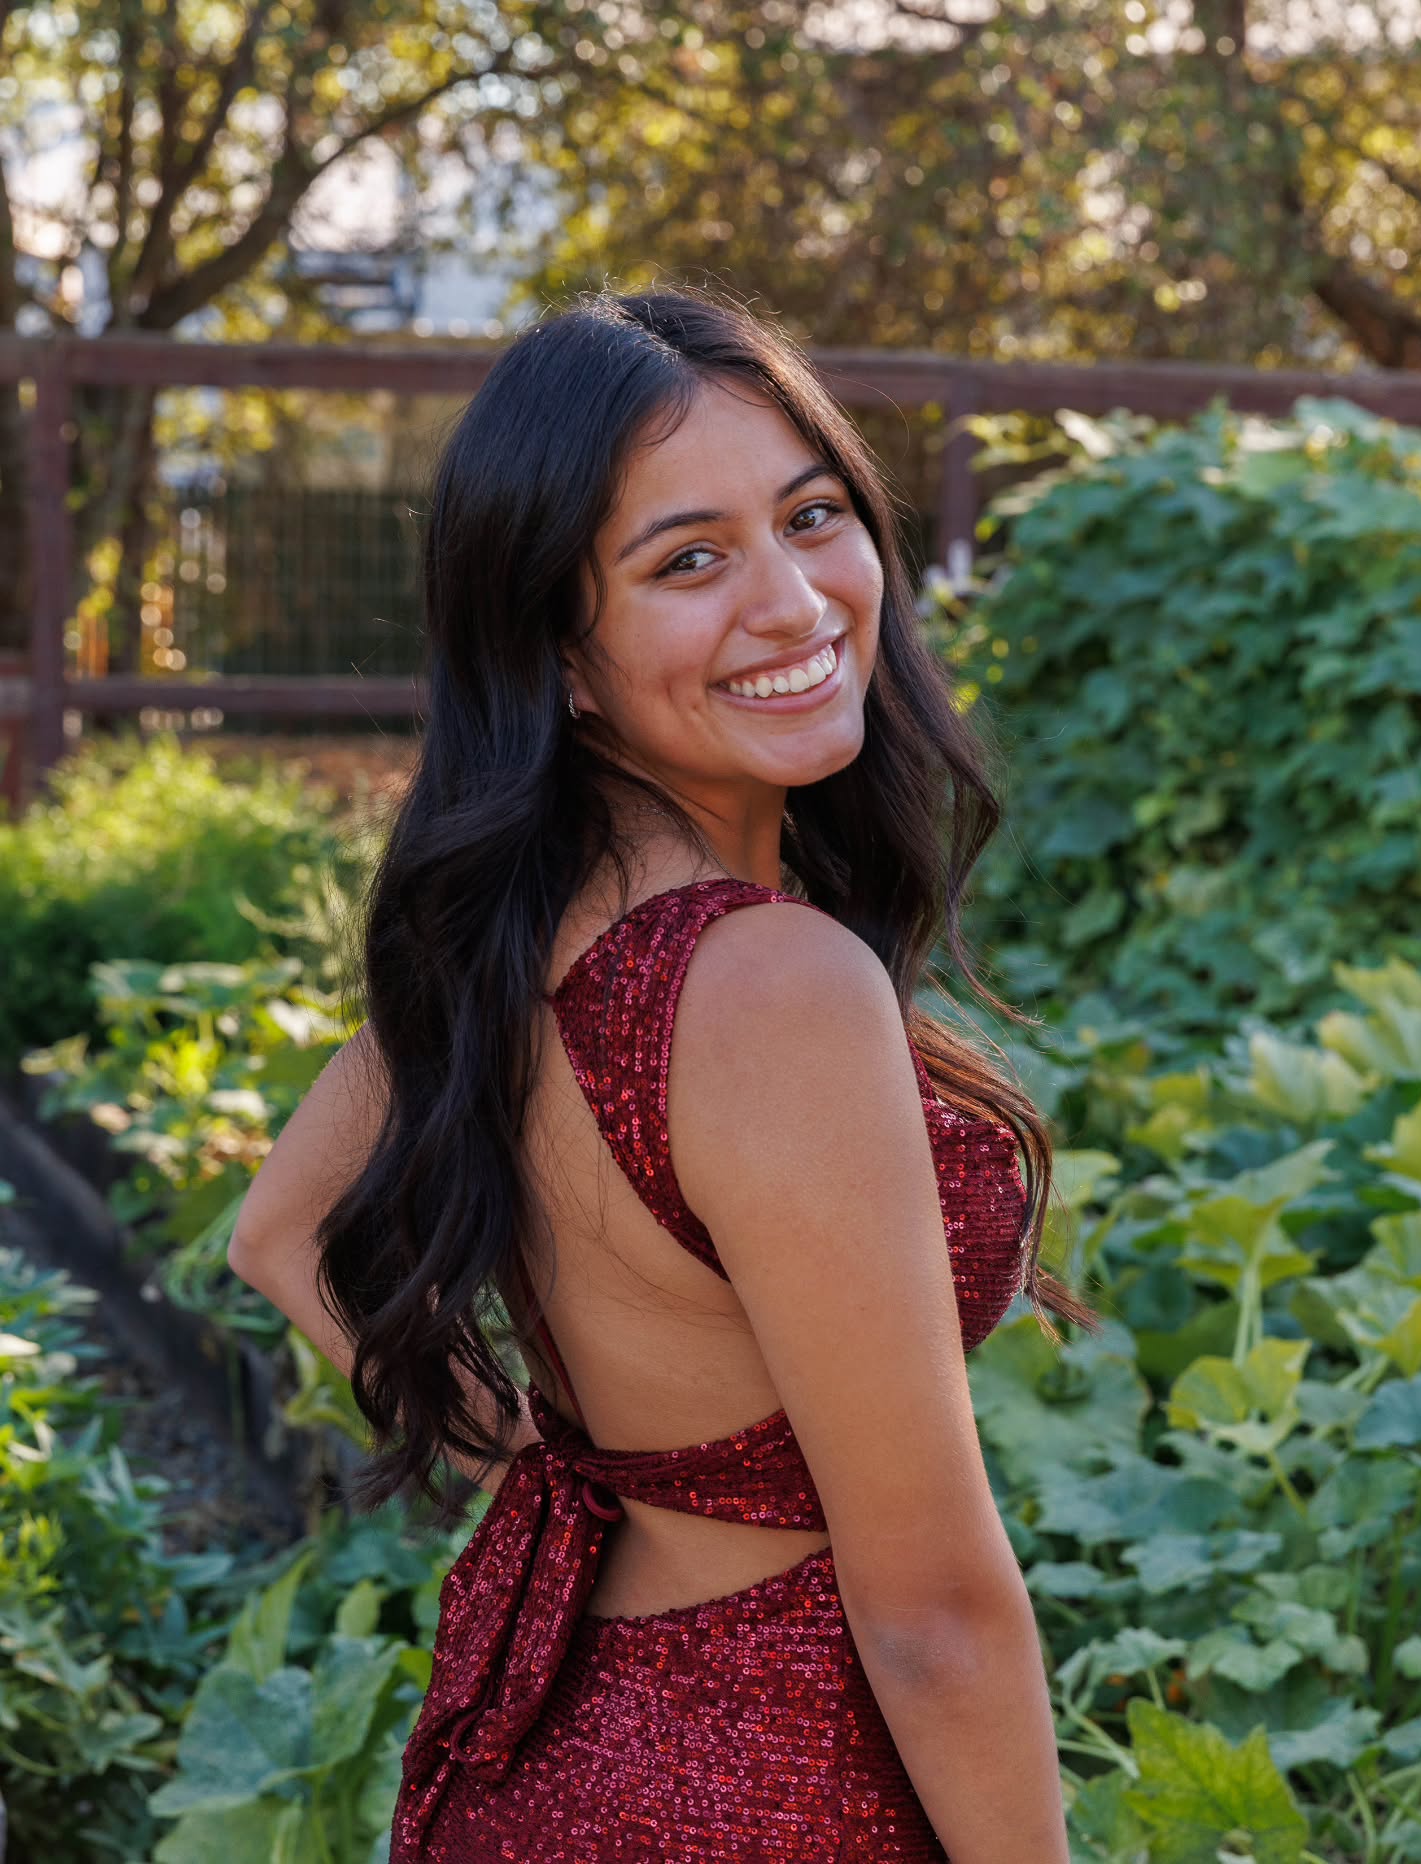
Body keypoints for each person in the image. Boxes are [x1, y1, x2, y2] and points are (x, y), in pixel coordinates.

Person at [228, 284, 1099, 1861]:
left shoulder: (510, 939)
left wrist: (563, 1469)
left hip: (566, 1747)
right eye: (688, 560)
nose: (796, 602)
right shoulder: (772, 989)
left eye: (814, 515)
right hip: (773, 1784)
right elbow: (935, 1620)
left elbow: (276, 1234)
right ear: (561, 656)